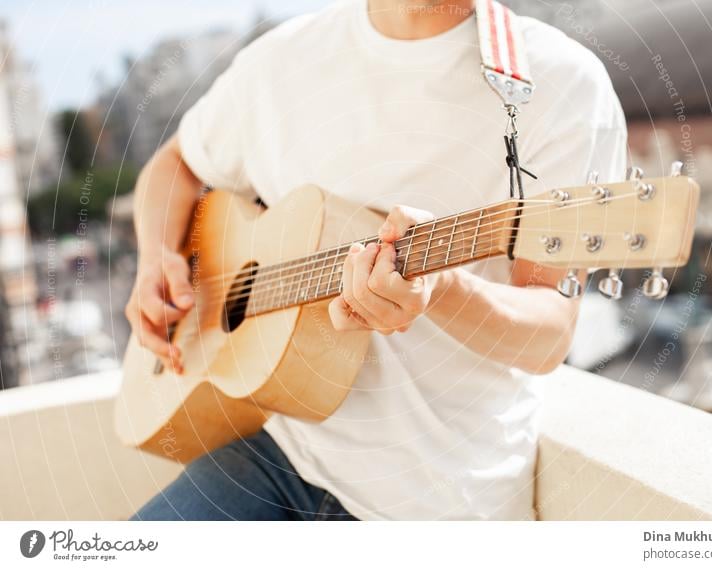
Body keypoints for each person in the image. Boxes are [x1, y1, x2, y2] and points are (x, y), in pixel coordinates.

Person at [127, 0, 627, 520]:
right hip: (278, 451)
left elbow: (548, 333)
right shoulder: (276, 62)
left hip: (442, 505)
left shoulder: (561, 81)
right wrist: (155, 257)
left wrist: (447, 289)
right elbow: (177, 164)